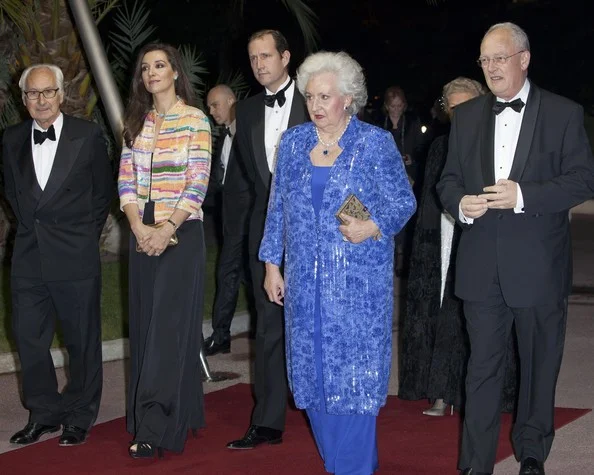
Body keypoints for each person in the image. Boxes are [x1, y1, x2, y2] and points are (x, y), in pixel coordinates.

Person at [437, 23, 594, 475]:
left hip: (539, 266)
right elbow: (447, 181)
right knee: (481, 372)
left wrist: (524, 196)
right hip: (481, 266)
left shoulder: (564, 113)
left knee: (538, 368)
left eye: (499, 58)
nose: (490, 68)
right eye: (484, 60)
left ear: (524, 59)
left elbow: (583, 180)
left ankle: (531, 455)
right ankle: (475, 464)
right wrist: (460, 204)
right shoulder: (465, 117)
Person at [260, 51, 416, 474]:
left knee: (353, 379)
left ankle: (353, 467)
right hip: (304, 286)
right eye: (311, 96)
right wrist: (272, 264)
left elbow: (404, 201)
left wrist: (373, 226)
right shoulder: (293, 143)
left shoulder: (374, 143)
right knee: (313, 378)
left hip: (357, 287)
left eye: (325, 96)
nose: (315, 105)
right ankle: (340, 464)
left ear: (348, 99)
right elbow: (278, 208)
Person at [3, 64, 113, 446]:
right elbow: (13, 194)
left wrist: (81, 237)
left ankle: (80, 414)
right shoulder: (11, 139)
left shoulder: (88, 136)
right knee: (30, 340)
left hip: (75, 256)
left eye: (47, 92)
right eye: (33, 94)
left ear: (61, 94)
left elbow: (102, 197)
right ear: (24, 100)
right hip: (29, 258)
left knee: (82, 342)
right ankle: (44, 412)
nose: (41, 100)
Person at [399, 77, 519, 416]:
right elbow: (429, 200)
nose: (460, 113)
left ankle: (469, 391)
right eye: (453, 108)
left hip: (483, 237)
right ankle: (440, 390)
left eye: (465, 105)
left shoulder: (498, 142)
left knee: (475, 317)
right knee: (441, 310)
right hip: (443, 237)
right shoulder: (439, 145)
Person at [118, 42, 211, 458]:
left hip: (183, 228)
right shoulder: (136, 121)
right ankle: (185, 409)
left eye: (159, 65)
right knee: (146, 323)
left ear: (175, 71)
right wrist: (138, 226)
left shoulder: (196, 119)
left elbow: (198, 180)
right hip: (141, 230)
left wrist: (167, 227)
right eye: (145, 67)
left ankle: (154, 428)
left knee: (167, 329)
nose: (151, 72)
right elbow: (125, 180)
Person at [226, 29, 308, 450]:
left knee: (316, 325)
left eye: (266, 56)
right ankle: (268, 421)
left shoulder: (317, 100)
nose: (259, 64)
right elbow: (243, 184)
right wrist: (241, 239)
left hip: (315, 233)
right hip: (265, 234)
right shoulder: (248, 109)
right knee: (268, 328)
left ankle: (326, 414)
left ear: (286, 57)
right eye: (253, 57)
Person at [203, 85, 253, 356]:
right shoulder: (224, 137)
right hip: (230, 221)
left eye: (215, 105)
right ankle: (227, 335)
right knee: (241, 276)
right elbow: (219, 183)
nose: (211, 112)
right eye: (209, 107)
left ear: (231, 100)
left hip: (247, 222)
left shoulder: (248, 133)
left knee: (228, 274)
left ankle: (221, 335)